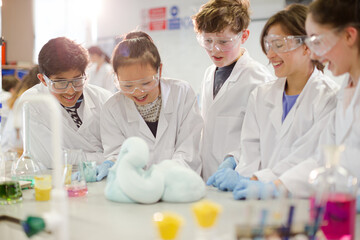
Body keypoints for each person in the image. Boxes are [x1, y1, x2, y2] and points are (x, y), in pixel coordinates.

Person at [206, 4, 339, 196]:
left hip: (300, 198)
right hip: (256, 199)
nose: (270, 54)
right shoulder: (261, 95)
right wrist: (245, 178)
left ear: (307, 46)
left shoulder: (328, 98)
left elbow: (309, 158)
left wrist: (265, 183)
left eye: (279, 45)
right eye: (268, 45)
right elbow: (250, 154)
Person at [271, 0, 360, 201]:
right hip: (343, 215)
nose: (313, 54)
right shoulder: (345, 91)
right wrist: (276, 187)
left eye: (317, 42)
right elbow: (323, 159)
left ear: (349, 35)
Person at [99, 31, 203, 180]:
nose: (138, 92)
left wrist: (162, 176)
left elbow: (189, 150)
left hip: (179, 185)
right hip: (137, 189)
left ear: (159, 70)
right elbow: (118, 154)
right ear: (116, 78)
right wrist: (113, 163)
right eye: (127, 86)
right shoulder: (112, 108)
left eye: (146, 83)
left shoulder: (181, 93)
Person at [192, 0, 274, 181]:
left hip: (238, 176)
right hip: (207, 177)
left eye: (223, 41)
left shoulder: (258, 78)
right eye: (207, 41)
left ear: (244, 36)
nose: (215, 49)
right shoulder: (209, 74)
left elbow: (263, 139)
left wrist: (234, 162)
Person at [19, 37, 112, 172]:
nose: (70, 90)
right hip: (57, 183)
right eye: (60, 83)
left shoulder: (102, 98)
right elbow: (52, 159)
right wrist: (104, 158)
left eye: (77, 80)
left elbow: (119, 149)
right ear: (43, 80)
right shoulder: (32, 102)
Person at [1, 66, 39, 153]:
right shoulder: (28, 100)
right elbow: (18, 141)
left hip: (8, 149)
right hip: (12, 152)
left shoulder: (19, 97)